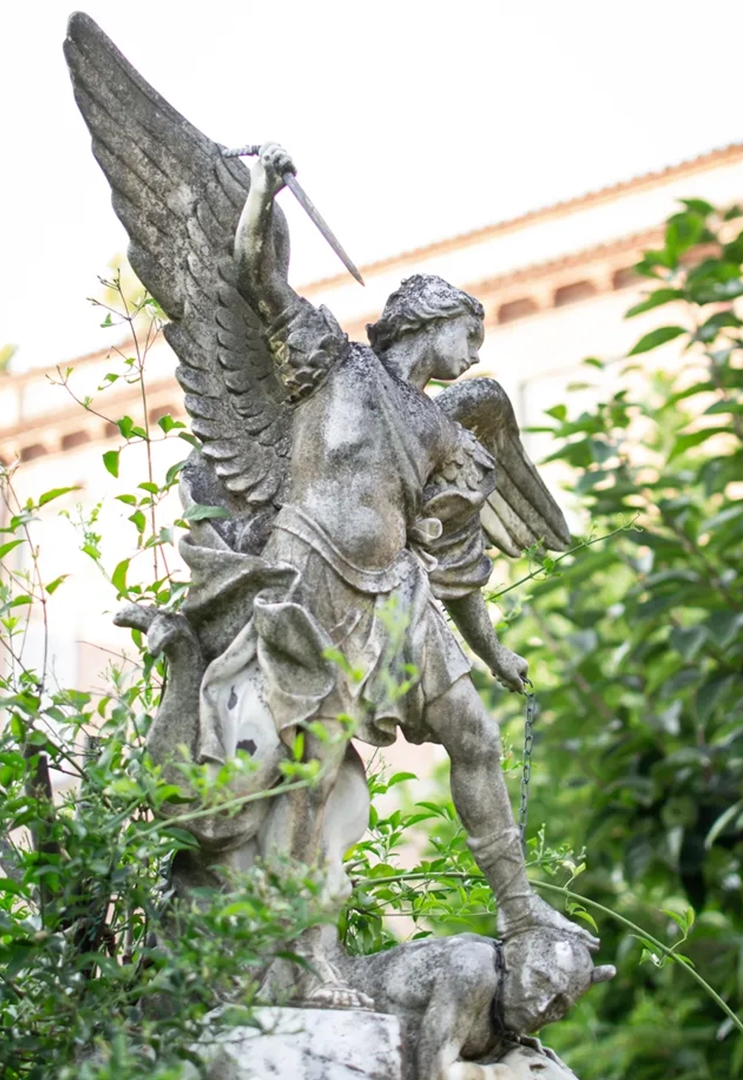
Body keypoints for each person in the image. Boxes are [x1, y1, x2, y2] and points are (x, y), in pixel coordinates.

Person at [227, 142, 598, 1014]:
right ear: (432, 321)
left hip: (397, 593)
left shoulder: (442, 428)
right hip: (312, 575)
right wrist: (261, 191)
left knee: (476, 734)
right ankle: (306, 955)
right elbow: (256, 274)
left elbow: (452, 560)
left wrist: (492, 650)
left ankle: (518, 909)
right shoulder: (328, 360)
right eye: (470, 333)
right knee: (314, 768)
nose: (474, 352)